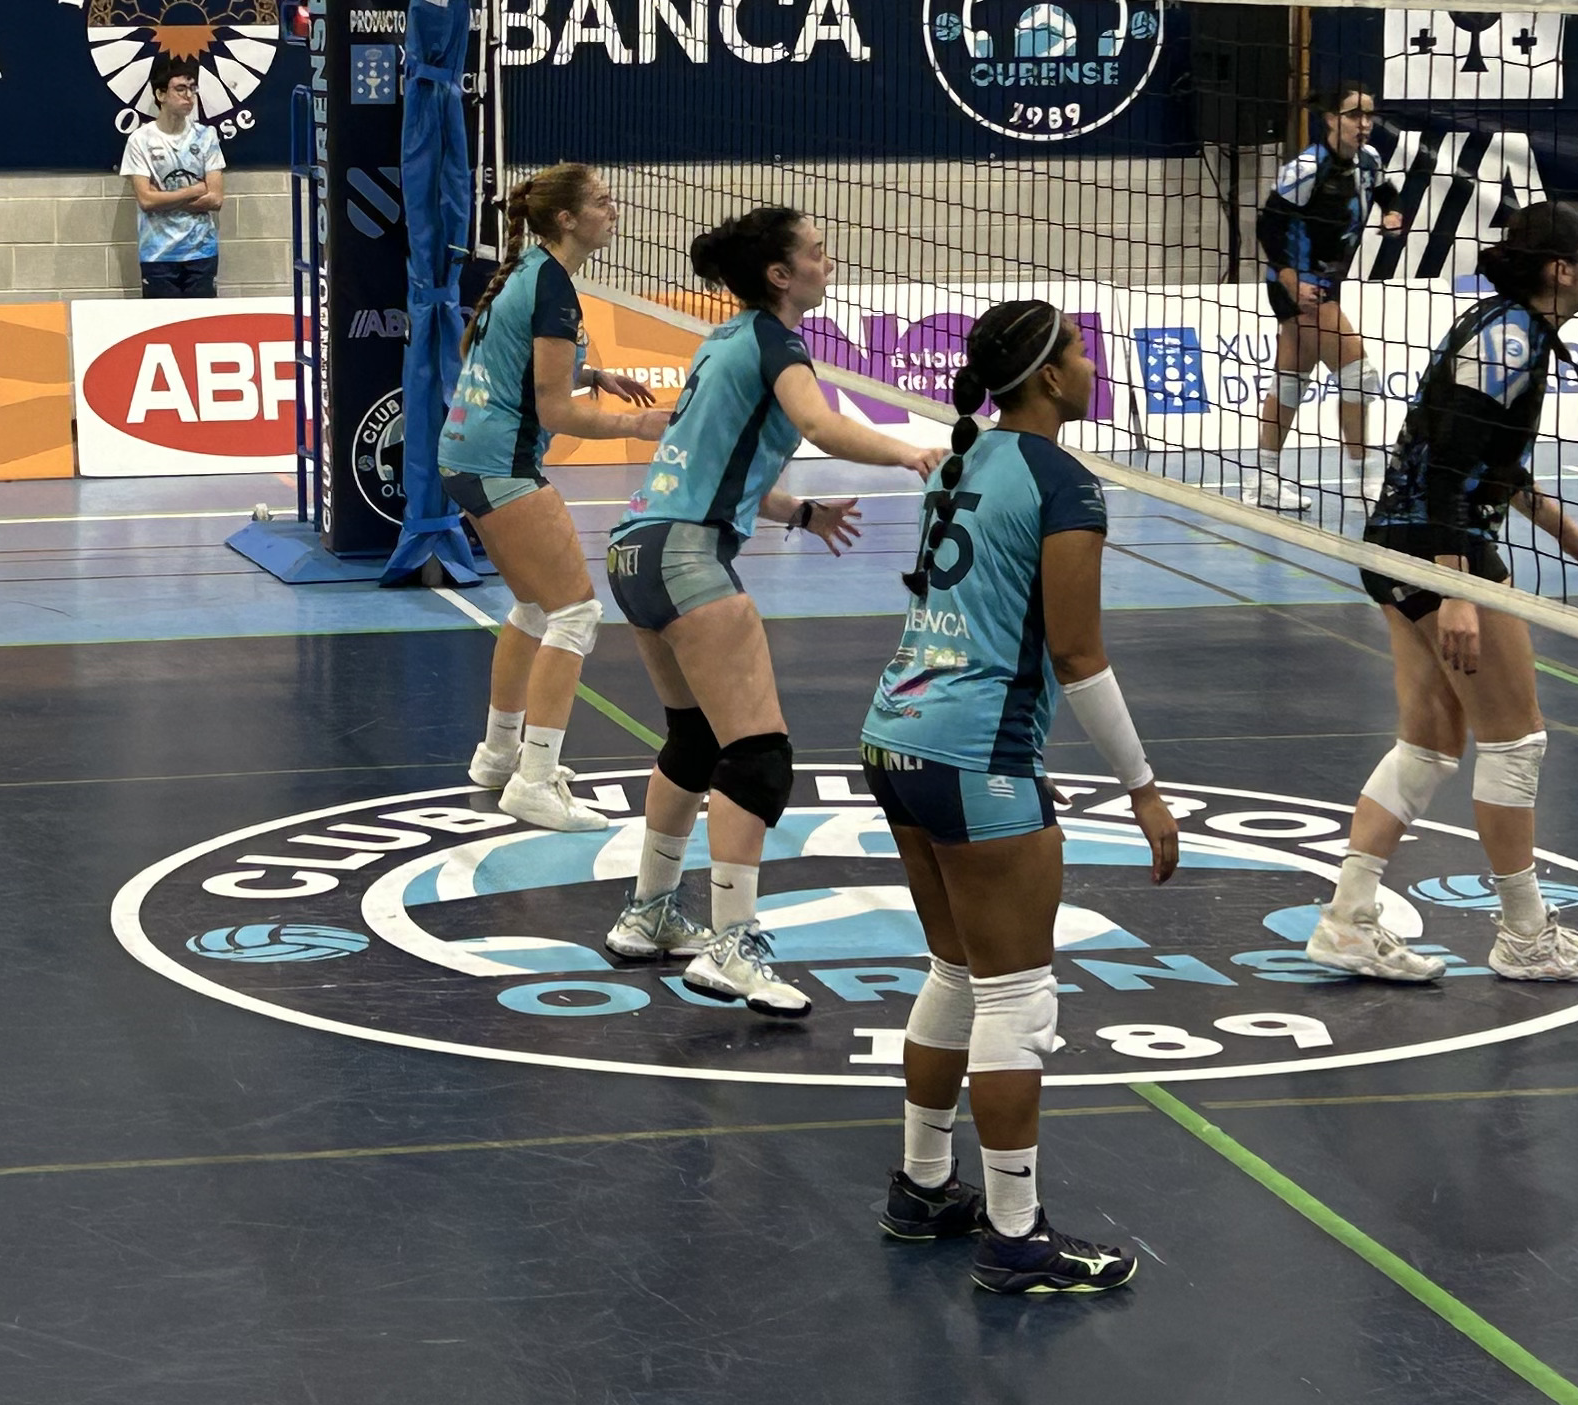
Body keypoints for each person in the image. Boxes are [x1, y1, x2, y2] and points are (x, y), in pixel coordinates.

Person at [863, 299, 1182, 1293]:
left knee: (956, 971)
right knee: (1016, 998)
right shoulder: (1063, 481)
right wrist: (1143, 790)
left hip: (896, 732)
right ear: (1048, 376)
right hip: (977, 753)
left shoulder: (960, 461)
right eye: (1080, 351)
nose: (1093, 365)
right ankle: (1014, 1237)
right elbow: (1077, 654)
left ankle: (923, 1188)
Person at [602, 203, 944, 1016]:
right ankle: (733, 947)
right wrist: (913, 452)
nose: (830, 263)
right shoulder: (774, 342)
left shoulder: (721, 340)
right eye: (817, 253)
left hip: (634, 549)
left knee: (694, 740)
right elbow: (820, 423)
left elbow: (711, 460)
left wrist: (798, 511)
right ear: (780, 275)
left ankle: (649, 913)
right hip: (686, 556)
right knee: (757, 754)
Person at [1309, 198, 1578, 989]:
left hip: (1397, 544)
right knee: (1515, 742)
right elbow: (1452, 465)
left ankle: (1348, 919)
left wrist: (1564, 531)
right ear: (1561, 270)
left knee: (1429, 742)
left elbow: (1490, 461)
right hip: (1436, 550)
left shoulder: (1512, 330)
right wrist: (1455, 586)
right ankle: (1525, 935)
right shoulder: (1509, 340)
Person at [445, 163, 674, 834]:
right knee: (575, 613)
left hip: (463, 453)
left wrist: (590, 371)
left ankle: (499, 756)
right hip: (502, 463)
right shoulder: (551, 286)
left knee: (532, 606)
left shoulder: (531, 270)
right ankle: (535, 781)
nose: (613, 208)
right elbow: (555, 413)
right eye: (601, 201)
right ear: (568, 219)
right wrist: (640, 426)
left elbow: (520, 361)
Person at [1250, 80, 1406, 515]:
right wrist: (1291, 283)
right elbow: (1268, 227)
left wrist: (1393, 213)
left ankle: (1264, 480)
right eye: (1355, 114)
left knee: (1290, 380)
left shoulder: (1369, 161)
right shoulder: (1306, 168)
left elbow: (1386, 191)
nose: (1364, 123)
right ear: (1332, 119)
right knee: (1359, 374)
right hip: (1297, 284)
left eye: (1369, 114)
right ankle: (1364, 482)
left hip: (1326, 282)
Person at [120, 55, 227, 297]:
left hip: (202, 252)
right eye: (180, 89)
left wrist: (163, 198)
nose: (189, 96)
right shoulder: (140, 140)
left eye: (192, 88)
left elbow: (216, 199)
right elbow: (146, 201)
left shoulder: (206, 136)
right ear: (160, 95)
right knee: (161, 319)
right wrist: (195, 190)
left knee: (202, 320)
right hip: (158, 254)